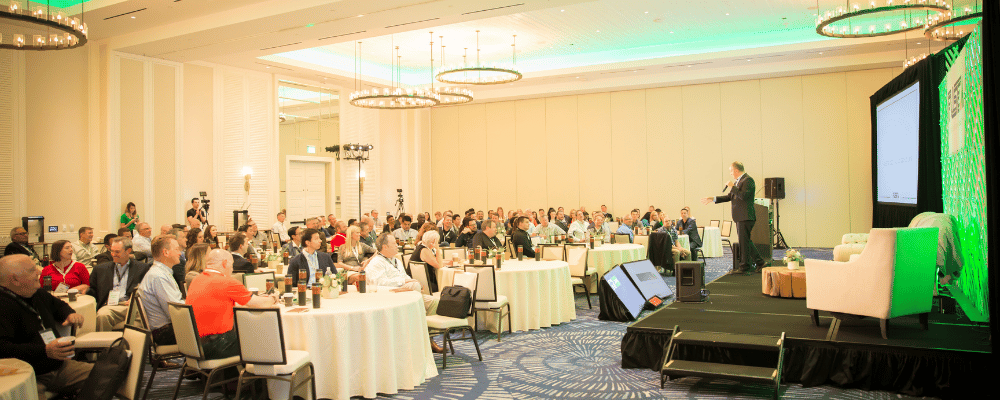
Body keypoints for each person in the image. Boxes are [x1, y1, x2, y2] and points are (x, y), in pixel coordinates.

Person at [0, 254, 92, 398]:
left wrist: (69, 314)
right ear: (15, 279)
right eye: (32, 270)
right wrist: (45, 351)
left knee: (105, 375)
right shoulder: (3, 305)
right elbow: (3, 349)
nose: (39, 272)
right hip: (29, 374)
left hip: (59, 366)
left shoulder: (37, 292)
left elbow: (59, 306)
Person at [187, 249, 279, 360]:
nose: (232, 269)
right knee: (262, 339)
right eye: (231, 265)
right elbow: (261, 304)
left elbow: (220, 303)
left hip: (195, 344)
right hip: (216, 345)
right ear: (225, 263)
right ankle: (256, 376)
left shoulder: (197, 280)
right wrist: (274, 297)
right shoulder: (227, 282)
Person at [701, 161, 766, 273]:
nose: (730, 173)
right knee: (745, 242)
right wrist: (713, 198)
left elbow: (744, 196)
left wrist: (732, 187)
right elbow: (729, 197)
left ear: (736, 170)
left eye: (731, 170)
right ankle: (759, 263)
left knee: (744, 242)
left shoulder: (748, 180)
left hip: (746, 216)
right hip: (741, 217)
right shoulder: (739, 181)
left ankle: (745, 267)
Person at [88, 237, 149, 331]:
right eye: (111, 251)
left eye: (117, 252)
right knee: (103, 315)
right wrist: (84, 290)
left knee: (147, 315)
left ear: (128, 251)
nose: (113, 254)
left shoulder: (142, 268)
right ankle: (105, 344)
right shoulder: (100, 269)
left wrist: (137, 297)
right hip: (110, 306)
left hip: (130, 305)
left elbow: (147, 289)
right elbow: (93, 290)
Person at [136, 235, 184, 348]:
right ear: (166, 252)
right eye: (177, 249)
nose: (180, 253)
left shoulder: (160, 272)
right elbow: (174, 311)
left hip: (167, 328)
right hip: (165, 332)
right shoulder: (159, 277)